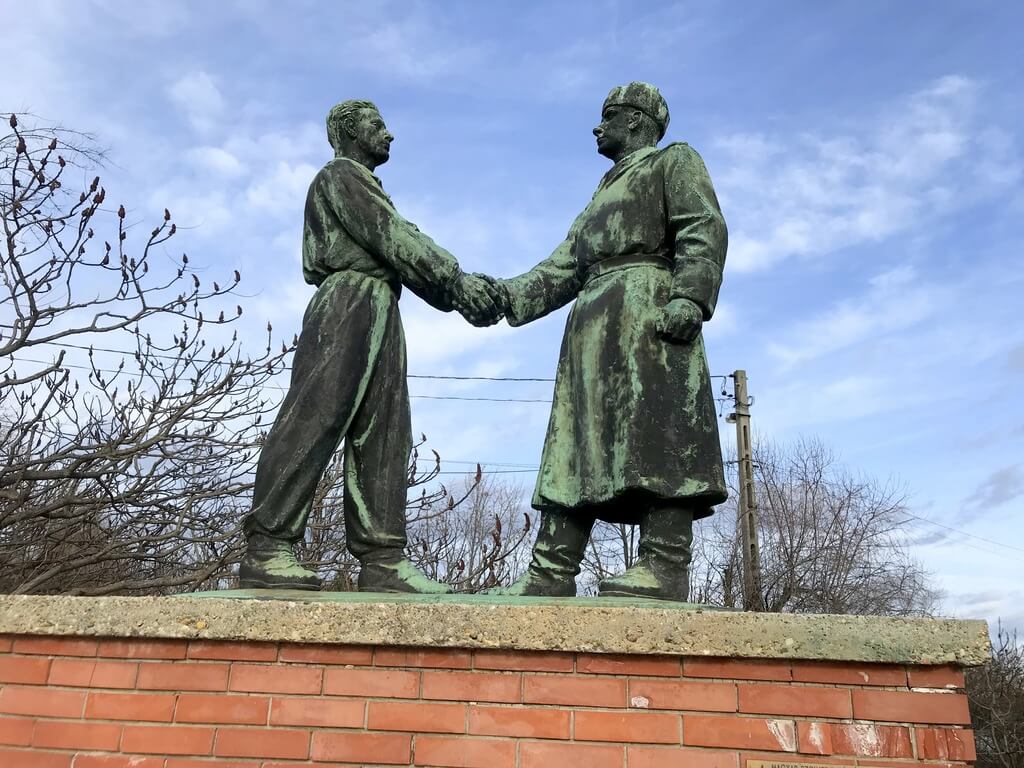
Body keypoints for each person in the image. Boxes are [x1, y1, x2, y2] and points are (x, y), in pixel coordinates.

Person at [239, 100, 501, 593]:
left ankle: (382, 558)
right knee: (316, 414)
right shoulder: (341, 176)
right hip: (347, 300)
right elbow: (394, 238)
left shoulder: (364, 184)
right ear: (348, 131)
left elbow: (397, 247)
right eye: (378, 126)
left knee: (386, 426)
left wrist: (450, 289)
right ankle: (269, 543)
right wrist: (457, 284)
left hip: (381, 302)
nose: (390, 135)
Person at [492, 83, 728, 601]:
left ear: (637, 121)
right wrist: (502, 297)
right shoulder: (603, 190)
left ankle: (665, 565)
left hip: (648, 311)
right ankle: (551, 571)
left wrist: (689, 297)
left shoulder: (673, 161)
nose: (598, 128)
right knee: (574, 443)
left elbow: (702, 228)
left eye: (609, 117)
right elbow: (562, 266)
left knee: (657, 433)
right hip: (593, 327)